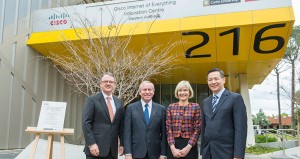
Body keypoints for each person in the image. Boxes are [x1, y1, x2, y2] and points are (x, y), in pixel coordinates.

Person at [200, 68, 247, 159]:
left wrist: (238, 155)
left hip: (227, 153)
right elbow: (204, 127)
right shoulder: (205, 101)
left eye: (216, 78)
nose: (213, 82)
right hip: (208, 152)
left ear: (223, 80)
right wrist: (203, 150)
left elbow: (241, 129)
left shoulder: (235, 98)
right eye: (210, 80)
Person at [82, 73, 125, 159]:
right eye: (105, 81)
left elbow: (121, 125)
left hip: (112, 151)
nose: (108, 83)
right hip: (95, 150)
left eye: (111, 82)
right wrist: (91, 143)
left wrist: (122, 144)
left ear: (114, 85)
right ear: (101, 84)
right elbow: (86, 123)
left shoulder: (119, 102)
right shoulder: (92, 100)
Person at [123, 81, 167, 159]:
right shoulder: (131, 108)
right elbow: (127, 132)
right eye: (144, 90)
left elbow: (164, 134)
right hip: (136, 153)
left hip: (155, 153)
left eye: (150, 90)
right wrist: (128, 153)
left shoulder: (161, 109)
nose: (147, 92)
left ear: (153, 92)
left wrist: (163, 154)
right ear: (140, 92)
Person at [166, 80, 201, 159]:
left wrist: (188, 147)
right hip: (173, 146)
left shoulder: (195, 107)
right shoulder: (171, 107)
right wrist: (173, 148)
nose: (182, 93)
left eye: (185, 90)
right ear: (177, 92)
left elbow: (198, 129)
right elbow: (168, 129)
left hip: (190, 145)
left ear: (189, 92)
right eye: (180, 90)